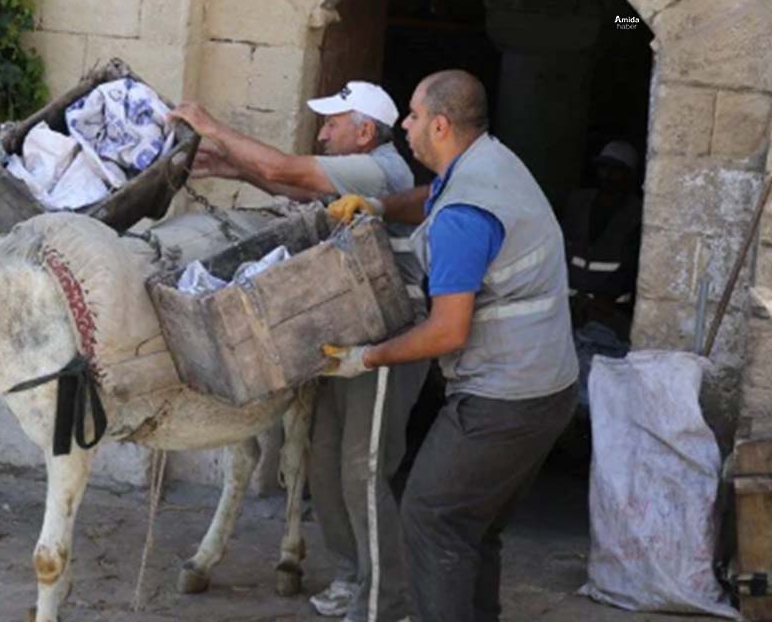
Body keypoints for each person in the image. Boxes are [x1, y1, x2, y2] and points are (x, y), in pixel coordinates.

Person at [324, 70, 579, 622]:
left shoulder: (465, 218)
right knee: (472, 528)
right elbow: (433, 196)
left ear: (439, 125)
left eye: (413, 116)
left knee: (430, 517)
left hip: (504, 398)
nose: (406, 126)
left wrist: (363, 358)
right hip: (546, 386)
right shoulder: (488, 161)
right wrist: (379, 205)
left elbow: (447, 331)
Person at [172, 81, 426, 622]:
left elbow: (289, 171)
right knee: (326, 458)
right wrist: (233, 170)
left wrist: (213, 127)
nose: (323, 130)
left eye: (334, 122)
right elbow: (299, 190)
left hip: (390, 335)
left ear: (364, 132)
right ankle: (351, 574)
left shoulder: (380, 170)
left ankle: (387, 597)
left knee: (364, 466)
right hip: (350, 332)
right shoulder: (358, 171)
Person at [562, 140, 642, 342]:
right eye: (603, 168)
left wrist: (603, 300)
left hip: (611, 312)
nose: (607, 175)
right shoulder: (578, 202)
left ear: (629, 175)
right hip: (569, 306)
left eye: (615, 170)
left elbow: (633, 265)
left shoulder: (638, 213)